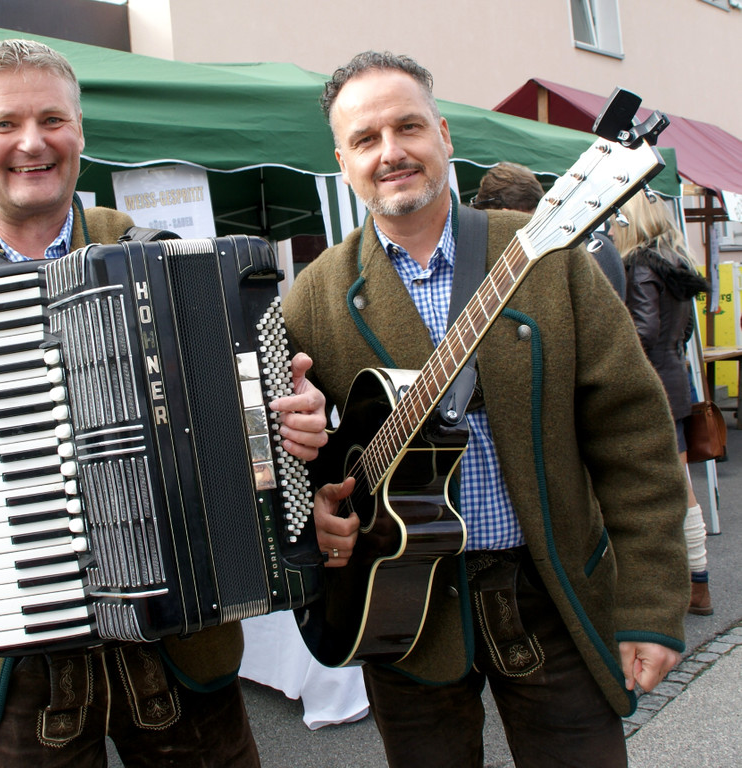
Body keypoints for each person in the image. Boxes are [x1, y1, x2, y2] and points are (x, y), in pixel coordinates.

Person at [0, 39, 328, 768]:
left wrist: (291, 418)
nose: (32, 142)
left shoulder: (164, 255)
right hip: (16, 669)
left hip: (182, 641)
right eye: (4, 124)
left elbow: (254, 415)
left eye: (52, 119)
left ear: (80, 132)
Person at [283, 51, 689, 767]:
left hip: (551, 593)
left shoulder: (547, 255)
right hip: (403, 616)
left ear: (444, 135)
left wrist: (652, 608)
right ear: (342, 160)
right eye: (366, 139)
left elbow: (634, 438)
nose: (392, 153)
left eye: (408, 127)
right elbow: (290, 452)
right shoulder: (312, 296)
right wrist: (314, 504)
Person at [613, 192, 713, 615]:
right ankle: (698, 579)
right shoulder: (677, 263)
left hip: (650, 388)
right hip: (676, 382)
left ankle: (689, 585)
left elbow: (641, 330)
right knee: (681, 485)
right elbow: (684, 332)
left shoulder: (640, 265)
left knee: (658, 489)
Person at [473, 161, 627, 298]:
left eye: (492, 225)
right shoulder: (593, 244)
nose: (491, 236)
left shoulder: (589, 250)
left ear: (506, 215)